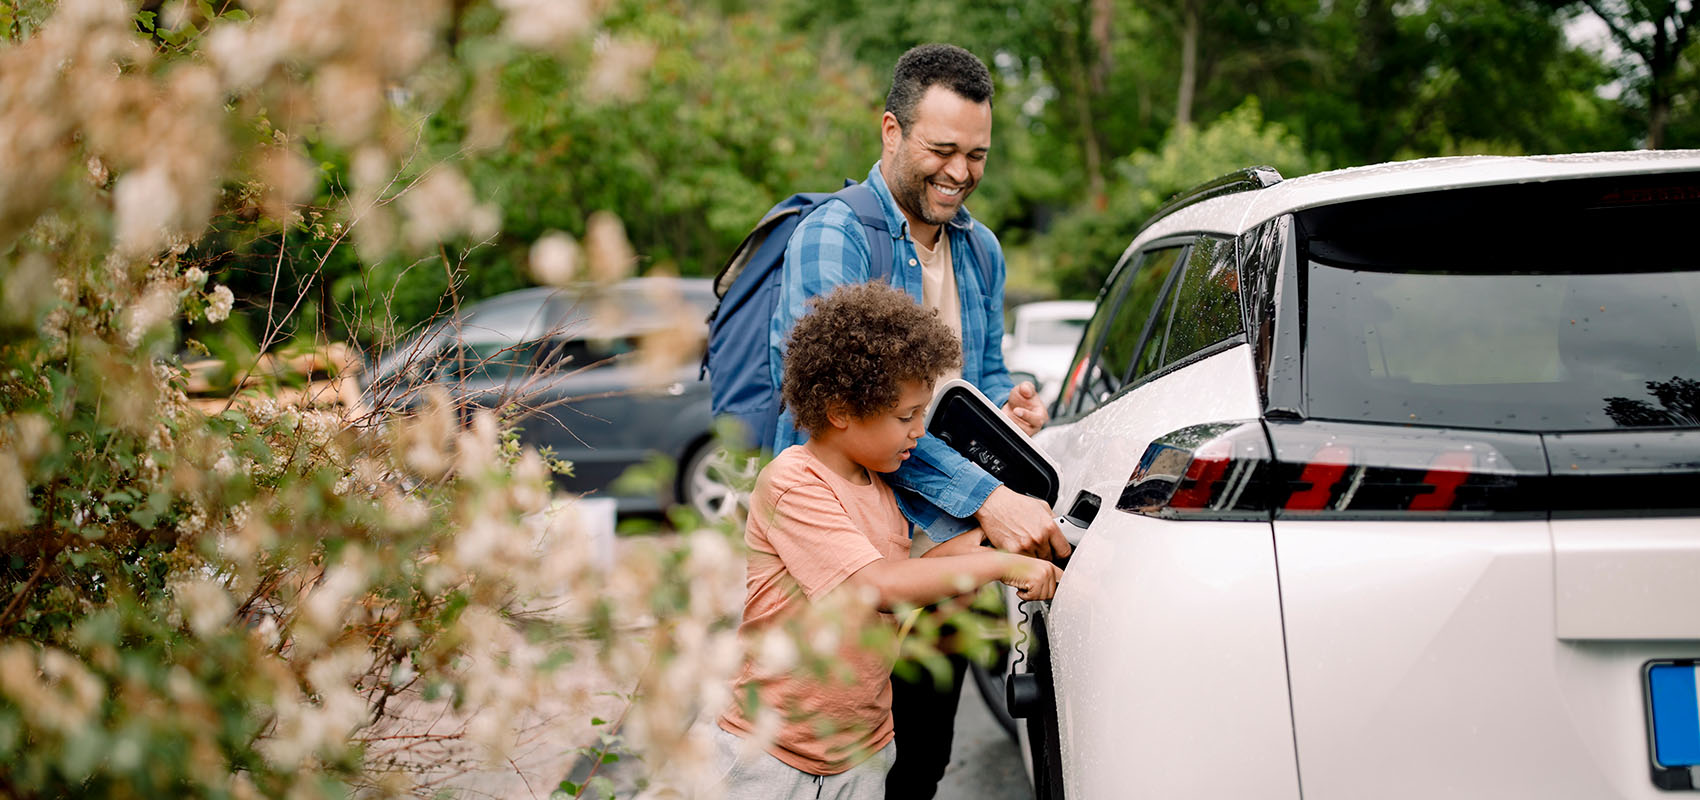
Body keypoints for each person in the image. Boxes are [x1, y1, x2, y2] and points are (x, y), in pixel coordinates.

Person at [768, 43, 1071, 797]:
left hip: (943, 554)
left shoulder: (981, 249)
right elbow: (839, 416)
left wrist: (1010, 409)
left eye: (977, 155)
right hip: (851, 551)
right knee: (835, 756)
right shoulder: (833, 237)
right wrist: (990, 499)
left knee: (924, 758)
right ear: (891, 131)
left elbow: (985, 376)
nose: (960, 173)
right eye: (942, 150)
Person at [716, 283, 1062, 799]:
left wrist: (997, 545)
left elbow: (913, 571)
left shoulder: (878, 483)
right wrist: (999, 569)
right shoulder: (793, 482)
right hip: (772, 754)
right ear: (839, 410)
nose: (919, 433)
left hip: (862, 750)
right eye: (907, 416)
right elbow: (874, 586)